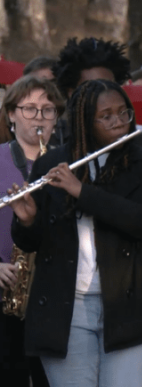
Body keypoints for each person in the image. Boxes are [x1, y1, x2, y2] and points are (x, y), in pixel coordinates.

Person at [8, 79, 142, 387]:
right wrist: (27, 220)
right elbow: (32, 242)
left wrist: (82, 192)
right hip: (68, 309)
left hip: (129, 303)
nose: (118, 122)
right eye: (106, 116)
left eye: (123, 113)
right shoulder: (52, 163)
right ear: (84, 122)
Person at [0, 76, 63, 387]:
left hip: (55, 292)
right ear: (10, 114)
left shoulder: (68, 164)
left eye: (48, 110)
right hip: (6, 286)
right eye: (30, 109)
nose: (39, 117)